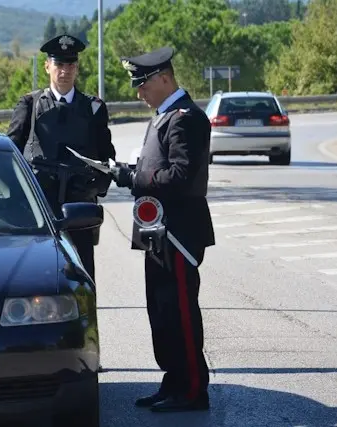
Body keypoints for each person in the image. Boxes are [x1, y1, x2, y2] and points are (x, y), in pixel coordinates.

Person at [108, 46, 215, 412]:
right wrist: (127, 170)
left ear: (165, 78)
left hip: (179, 234)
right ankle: (173, 382)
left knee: (181, 314)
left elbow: (181, 176)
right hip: (158, 233)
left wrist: (134, 177)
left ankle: (192, 391)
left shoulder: (185, 117)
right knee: (162, 312)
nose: (138, 92)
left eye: (142, 84)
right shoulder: (164, 115)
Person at [6, 34, 116, 283]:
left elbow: (106, 156)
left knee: (81, 277)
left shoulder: (94, 108)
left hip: (78, 208)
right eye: (59, 65)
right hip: (40, 207)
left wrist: (93, 188)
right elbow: (10, 153)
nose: (64, 71)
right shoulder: (29, 104)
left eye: (70, 65)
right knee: (37, 278)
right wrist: (20, 197)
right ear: (47, 67)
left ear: (77, 68)